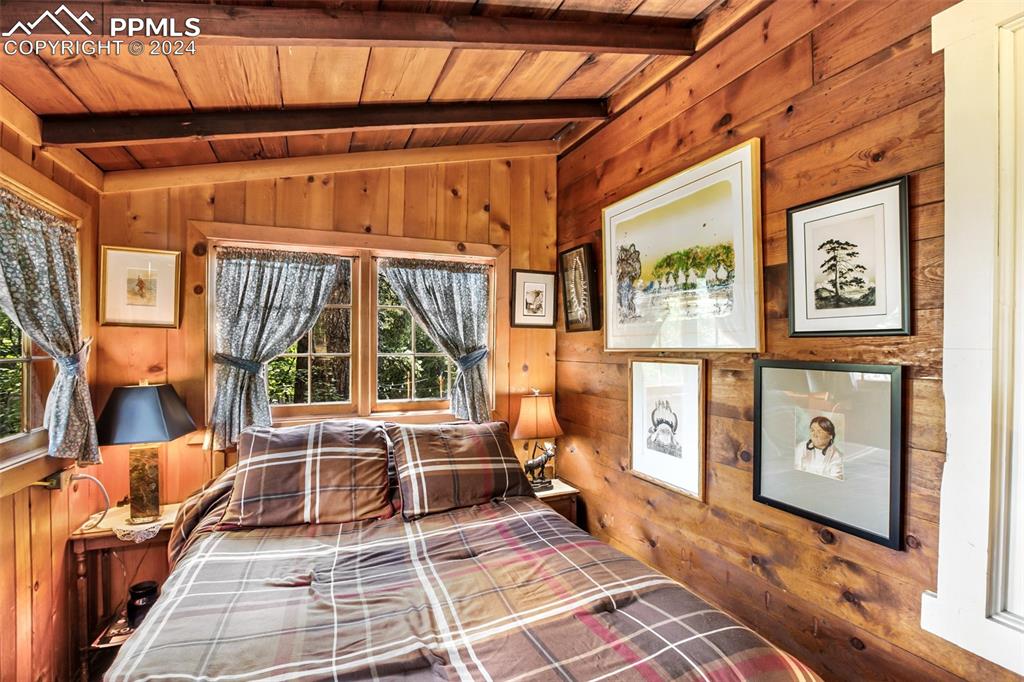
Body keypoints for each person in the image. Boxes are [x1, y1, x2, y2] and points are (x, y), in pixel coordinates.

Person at [795, 416, 844, 480]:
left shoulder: (837, 456)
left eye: (819, 431)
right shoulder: (801, 447)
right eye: (812, 430)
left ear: (830, 436)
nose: (814, 435)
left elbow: (836, 479)